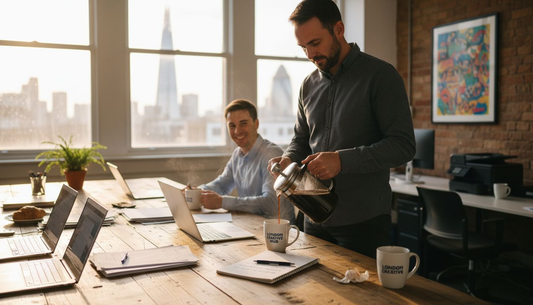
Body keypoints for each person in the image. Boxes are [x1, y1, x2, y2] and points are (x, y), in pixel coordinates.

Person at [268, 0, 415, 258]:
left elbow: (403, 146)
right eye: (303, 47)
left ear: (338, 29)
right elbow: (301, 139)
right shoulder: (307, 86)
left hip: (363, 221)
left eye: (315, 43)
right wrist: (289, 158)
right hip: (312, 218)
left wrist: (341, 161)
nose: (310, 55)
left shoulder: (381, 76)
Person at [196, 99, 295, 223]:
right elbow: (221, 185)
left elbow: (271, 203)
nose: (237, 131)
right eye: (232, 126)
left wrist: (222, 202)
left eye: (243, 123)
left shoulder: (272, 155)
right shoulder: (237, 154)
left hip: (279, 232)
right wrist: (195, 191)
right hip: (251, 224)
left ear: (256, 123)